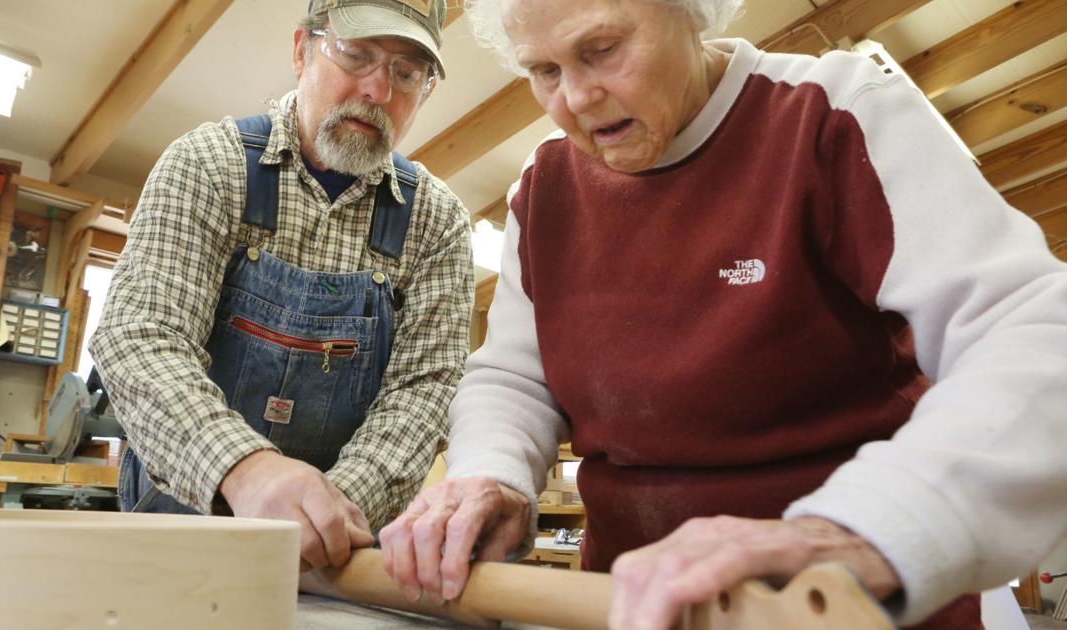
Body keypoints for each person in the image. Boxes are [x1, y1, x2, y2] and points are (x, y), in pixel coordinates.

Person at [378, 0, 1067, 628]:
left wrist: (859, 531)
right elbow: (515, 377)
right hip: (635, 604)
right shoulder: (544, 184)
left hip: (840, 605)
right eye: (544, 71)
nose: (577, 97)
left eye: (603, 49)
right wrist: (490, 472)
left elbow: (1033, 332)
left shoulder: (835, 112)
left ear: (692, 12)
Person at [91, 0, 473, 574]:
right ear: (301, 50)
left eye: (407, 72)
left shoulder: (437, 223)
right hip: (176, 532)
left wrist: (329, 515)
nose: (378, 89)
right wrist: (247, 471)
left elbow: (425, 391)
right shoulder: (208, 164)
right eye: (356, 54)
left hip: (331, 561)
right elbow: (140, 337)